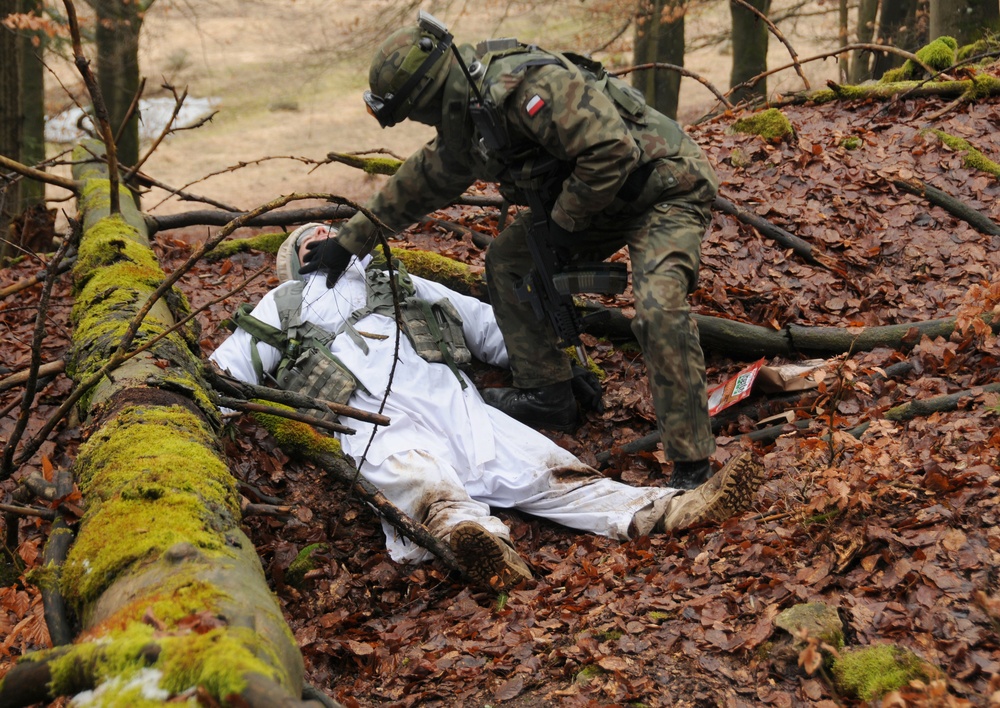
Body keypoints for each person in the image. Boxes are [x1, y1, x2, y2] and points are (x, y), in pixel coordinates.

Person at [210, 223, 763, 592]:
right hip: (371, 422)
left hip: (453, 400)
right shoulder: (277, 307)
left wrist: (562, 363)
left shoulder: (398, 280)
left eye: (331, 230)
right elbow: (225, 379)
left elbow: (485, 326)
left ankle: (666, 510)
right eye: (310, 238)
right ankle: (485, 551)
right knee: (424, 486)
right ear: (293, 260)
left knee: (551, 472)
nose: (324, 237)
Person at [300, 12, 722, 490]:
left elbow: (612, 152)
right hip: (595, 200)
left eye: (411, 113)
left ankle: (692, 464)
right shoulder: (467, 114)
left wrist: (563, 225)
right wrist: (349, 242)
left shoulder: (526, 88)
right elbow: (422, 180)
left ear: (426, 96)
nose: (417, 123)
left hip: (663, 188)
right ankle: (548, 392)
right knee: (509, 261)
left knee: (659, 307)